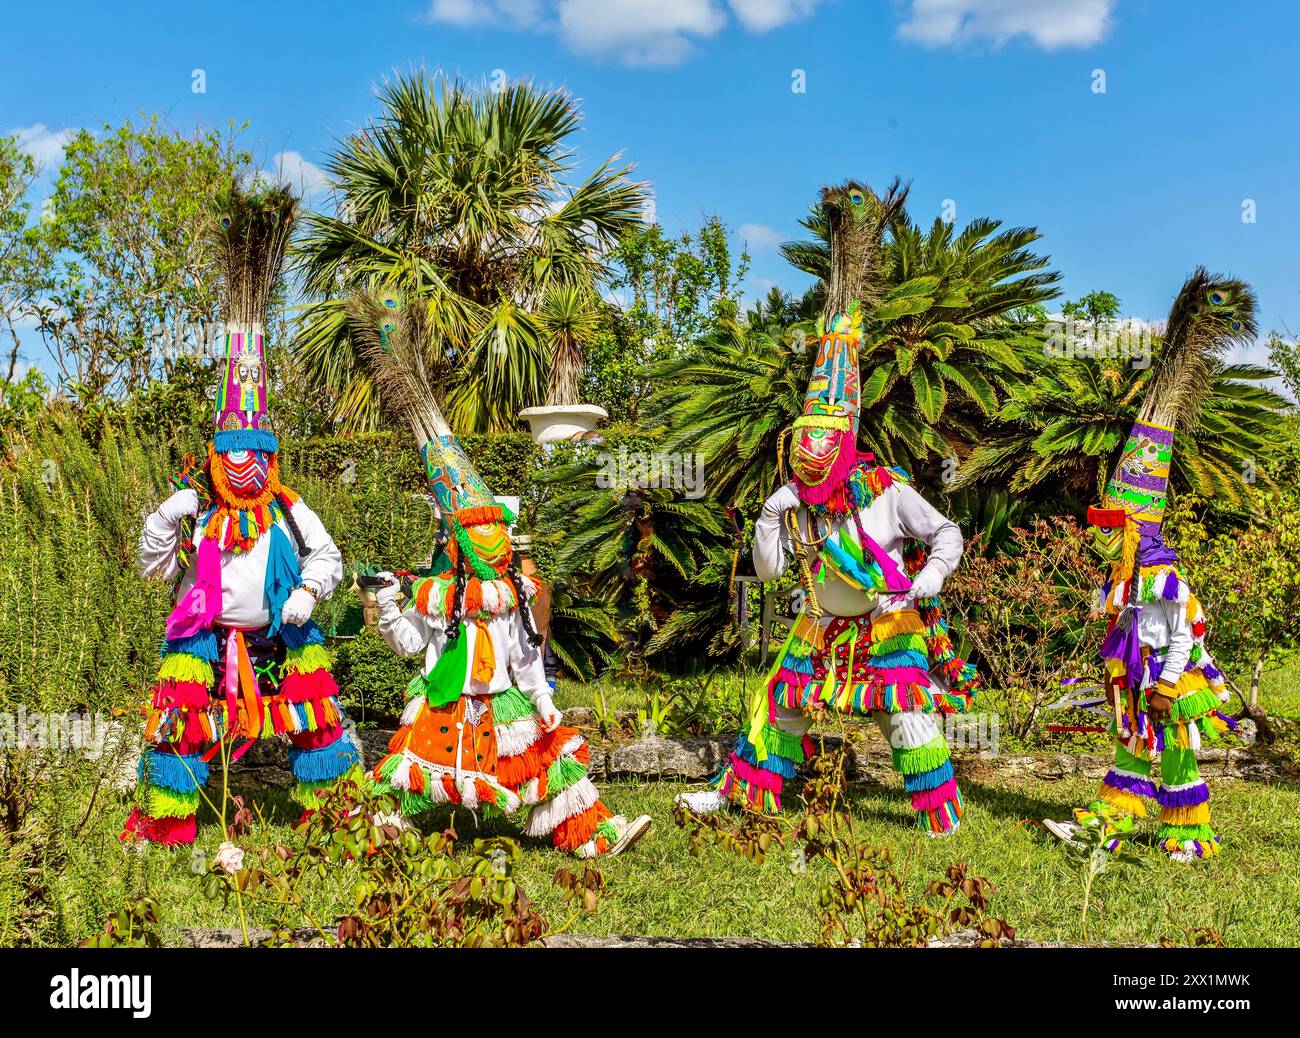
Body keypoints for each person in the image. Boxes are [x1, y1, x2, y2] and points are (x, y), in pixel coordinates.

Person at [676, 182, 977, 834]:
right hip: (819, 622)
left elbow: (947, 532)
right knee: (780, 704)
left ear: (843, 445)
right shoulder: (793, 501)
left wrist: (927, 579)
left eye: (823, 447)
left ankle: (942, 819)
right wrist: (766, 521)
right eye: (803, 446)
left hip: (888, 624)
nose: (811, 459)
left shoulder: (887, 491)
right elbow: (773, 573)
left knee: (905, 718)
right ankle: (741, 797)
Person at [354, 293, 651, 857]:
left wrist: (541, 699)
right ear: (461, 546)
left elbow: (522, 655)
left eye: (501, 538)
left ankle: (594, 835)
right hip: (445, 702)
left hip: (503, 700)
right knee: (407, 776)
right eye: (482, 540)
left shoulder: (512, 592)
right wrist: (392, 606)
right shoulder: (438, 594)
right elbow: (410, 642)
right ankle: (376, 833)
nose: (496, 548)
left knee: (551, 767)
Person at [123, 186, 358, 846]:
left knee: (318, 720)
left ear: (271, 457)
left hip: (281, 636)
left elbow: (327, 554)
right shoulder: (198, 508)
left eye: (257, 455)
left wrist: (310, 592)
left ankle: (336, 820)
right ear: (216, 456)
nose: (245, 467)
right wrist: (165, 518)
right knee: (177, 726)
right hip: (205, 641)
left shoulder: (288, 507)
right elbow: (153, 566)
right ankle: (164, 826)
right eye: (234, 455)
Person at [1044, 271, 1254, 861]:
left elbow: (1185, 635)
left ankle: (1189, 836)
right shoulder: (1122, 577)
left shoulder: (1162, 576)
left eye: (1112, 528)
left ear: (1136, 529)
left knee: (1179, 756)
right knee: (1133, 750)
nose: (1101, 537)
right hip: (1137, 681)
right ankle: (1105, 829)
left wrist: (1164, 686)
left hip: (1169, 679)